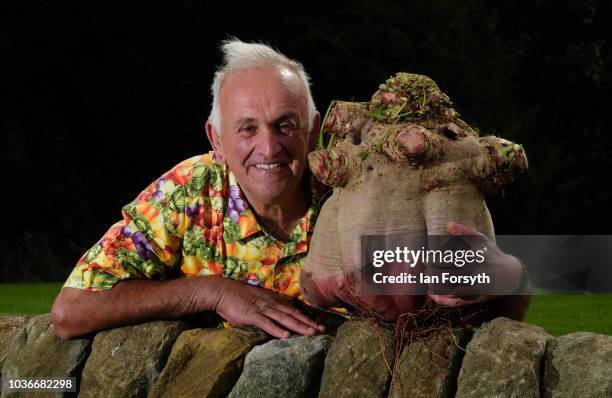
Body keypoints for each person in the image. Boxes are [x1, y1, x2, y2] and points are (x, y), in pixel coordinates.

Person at [52, 39, 529, 340]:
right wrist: (212, 292)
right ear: (215, 139)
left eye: (285, 125)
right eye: (246, 129)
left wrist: (495, 281)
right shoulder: (187, 193)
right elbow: (71, 311)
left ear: (314, 130)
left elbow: (500, 307)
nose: (269, 147)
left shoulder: (362, 186)